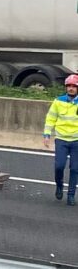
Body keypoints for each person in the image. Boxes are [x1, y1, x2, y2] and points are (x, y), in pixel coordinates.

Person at [43, 74, 78, 205]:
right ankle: (59, 185)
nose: (71, 88)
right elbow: (50, 119)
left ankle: (71, 195)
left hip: (76, 141)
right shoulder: (58, 101)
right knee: (59, 166)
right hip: (61, 139)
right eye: (69, 86)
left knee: (75, 169)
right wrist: (46, 134)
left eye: (74, 86)